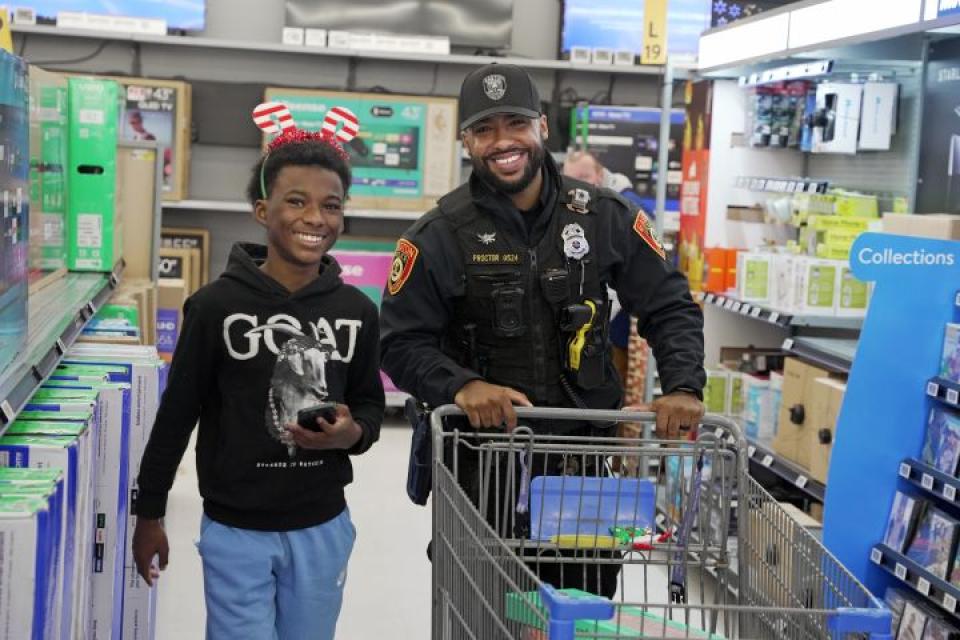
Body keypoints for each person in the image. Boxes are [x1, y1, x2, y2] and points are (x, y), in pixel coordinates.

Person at [379, 63, 705, 597]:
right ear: (466, 141)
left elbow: (669, 305)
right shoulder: (438, 235)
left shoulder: (604, 217)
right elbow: (398, 341)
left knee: (582, 611)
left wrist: (684, 385)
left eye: (516, 123)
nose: (502, 142)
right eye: (484, 129)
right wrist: (462, 385)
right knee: (481, 614)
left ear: (543, 127)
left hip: (583, 466)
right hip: (482, 467)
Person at [131, 121, 385, 639]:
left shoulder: (356, 311)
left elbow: (370, 406)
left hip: (322, 524)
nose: (314, 218)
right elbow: (177, 415)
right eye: (296, 201)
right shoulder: (214, 307)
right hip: (235, 527)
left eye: (331, 205)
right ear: (263, 210)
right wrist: (149, 513)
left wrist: (350, 433)